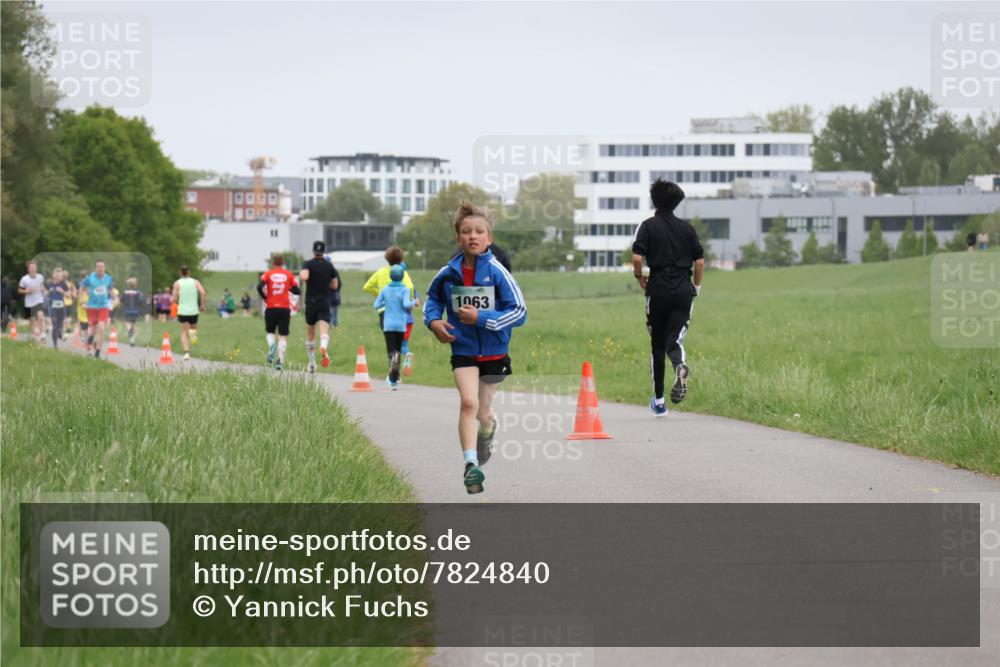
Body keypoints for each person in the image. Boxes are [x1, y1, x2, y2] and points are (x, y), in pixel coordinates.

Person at [424, 200, 527, 494]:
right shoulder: (447, 273)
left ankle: (488, 430)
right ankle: (471, 466)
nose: (473, 236)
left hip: (495, 353)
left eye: (479, 231)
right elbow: (432, 302)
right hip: (463, 350)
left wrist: (482, 318)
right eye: (466, 231)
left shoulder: (497, 272)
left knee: (484, 413)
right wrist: (434, 323)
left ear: (489, 238)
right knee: (468, 404)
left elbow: (519, 312)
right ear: (459, 237)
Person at [632, 179, 704, 417]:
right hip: (684, 289)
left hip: (658, 289)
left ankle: (660, 402)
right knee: (675, 340)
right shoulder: (687, 228)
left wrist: (639, 276)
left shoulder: (648, 226)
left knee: (657, 346)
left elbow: (637, 258)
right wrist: (697, 287)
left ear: (654, 201)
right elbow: (700, 261)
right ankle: (680, 366)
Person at [365, 246, 419, 378]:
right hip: (402, 312)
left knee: (391, 345)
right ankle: (397, 372)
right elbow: (411, 289)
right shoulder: (404, 273)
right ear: (401, 259)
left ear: (386, 258)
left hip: (386, 311)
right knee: (400, 344)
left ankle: (393, 374)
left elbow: (367, 287)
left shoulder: (380, 272)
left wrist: (381, 296)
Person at [299, 241, 338, 373]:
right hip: (324, 301)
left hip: (310, 301)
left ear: (313, 250)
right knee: (324, 330)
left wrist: (304, 274)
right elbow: (335, 285)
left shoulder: (308, 264)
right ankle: (323, 346)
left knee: (310, 332)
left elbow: (304, 277)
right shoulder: (329, 266)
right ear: (324, 251)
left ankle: (311, 364)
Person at [258, 254, 299, 371]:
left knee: (270, 332)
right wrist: (288, 288)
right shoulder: (288, 274)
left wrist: (265, 297)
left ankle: (272, 346)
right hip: (284, 308)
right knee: (282, 335)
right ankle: (280, 361)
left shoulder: (268, 274)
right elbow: (297, 290)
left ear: (273, 263)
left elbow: (259, 286)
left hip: (271, 307)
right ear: (283, 263)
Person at [375, 264, 413, 389]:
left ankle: (393, 382)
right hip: (401, 323)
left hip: (388, 323)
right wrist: (414, 302)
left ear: (391, 276)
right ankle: (395, 379)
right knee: (398, 348)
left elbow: (376, 305)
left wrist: (386, 303)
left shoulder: (385, 290)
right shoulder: (405, 289)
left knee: (391, 351)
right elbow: (407, 304)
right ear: (402, 276)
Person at [79, 260, 115, 358]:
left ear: (104, 268)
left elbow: (110, 289)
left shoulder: (108, 278)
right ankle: (89, 341)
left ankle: (97, 353)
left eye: (102, 267)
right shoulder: (90, 278)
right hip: (91, 307)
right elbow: (81, 286)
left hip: (103, 307)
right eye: (98, 267)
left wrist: (114, 296)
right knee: (93, 331)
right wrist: (82, 300)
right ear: (96, 268)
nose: (100, 269)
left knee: (102, 329)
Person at [172, 266, 207, 361]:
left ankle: (186, 353)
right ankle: (193, 335)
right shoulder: (195, 282)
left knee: (184, 332)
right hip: (194, 310)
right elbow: (203, 293)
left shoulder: (177, 283)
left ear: (180, 272)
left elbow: (174, 299)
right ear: (189, 272)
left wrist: (176, 300)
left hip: (183, 310)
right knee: (193, 328)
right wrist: (202, 305)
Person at [18, 260, 46, 343]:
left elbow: (42, 286)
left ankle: (43, 335)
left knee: (40, 316)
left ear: (36, 268)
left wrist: (43, 289)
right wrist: (28, 291)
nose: (33, 269)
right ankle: (34, 334)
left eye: (34, 267)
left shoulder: (40, 277)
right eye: (31, 267)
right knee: (32, 321)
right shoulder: (24, 279)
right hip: (29, 302)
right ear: (28, 269)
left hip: (39, 300)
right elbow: (19, 290)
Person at [44, 268, 69, 349]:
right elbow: (45, 293)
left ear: (62, 276)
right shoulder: (49, 283)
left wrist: (62, 291)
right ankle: (55, 345)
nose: (58, 277)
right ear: (53, 275)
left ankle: (59, 334)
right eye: (56, 275)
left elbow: (69, 294)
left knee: (60, 326)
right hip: (52, 306)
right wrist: (48, 292)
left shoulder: (63, 284)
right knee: (55, 326)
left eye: (59, 275)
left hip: (61, 307)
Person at [121, 277, 144, 346]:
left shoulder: (125, 292)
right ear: (135, 284)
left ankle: (129, 331)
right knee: (133, 324)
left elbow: (121, 300)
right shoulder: (138, 292)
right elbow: (141, 301)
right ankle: (132, 340)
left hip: (127, 310)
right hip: (135, 311)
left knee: (127, 323)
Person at [329, 262, 342, 328]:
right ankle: (334, 323)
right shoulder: (335, 271)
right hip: (335, 293)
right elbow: (339, 284)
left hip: (331, 293)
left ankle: (332, 324)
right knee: (334, 310)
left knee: (331, 309)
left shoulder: (330, 271)